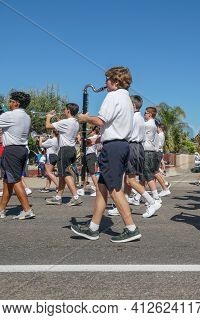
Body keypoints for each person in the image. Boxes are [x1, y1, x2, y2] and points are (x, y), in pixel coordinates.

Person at [72, 66, 141, 242]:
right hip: (120, 145)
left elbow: (100, 120)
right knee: (102, 187)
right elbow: (114, 125)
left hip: (113, 148)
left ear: (116, 82)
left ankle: (131, 228)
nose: (105, 83)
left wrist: (84, 118)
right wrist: (98, 140)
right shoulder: (126, 98)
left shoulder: (113, 96)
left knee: (114, 188)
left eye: (108, 79)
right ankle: (93, 227)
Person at [109, 95, 161, 218]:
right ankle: (123, 205)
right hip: (137, 148)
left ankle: (152, 202)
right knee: (127, 181)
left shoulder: (133, 118)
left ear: (133, 106)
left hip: (132, 148)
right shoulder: (139, 119)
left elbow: (123, 133)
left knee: (130, 181)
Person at [0, 91, 34, 220]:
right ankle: (1, 210)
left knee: (15, 180)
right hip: (22, 149)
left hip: (12, 150)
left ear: (16, 103)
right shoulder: (27, 116)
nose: (9, 103)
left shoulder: (9, 115)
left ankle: (27, 210)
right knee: (8, 181)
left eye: (10, 101)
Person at [45, 103, 82, 206]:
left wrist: (48, 117)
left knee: (65, 174)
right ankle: (58, 197)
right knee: (62, 174)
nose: (64, 110)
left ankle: (75, 197)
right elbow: (62, 127)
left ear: (68, 111)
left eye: (65, 109)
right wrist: (57, 117)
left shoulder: (66, 122)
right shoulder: (75, 122)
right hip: (72, 150)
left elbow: (48, 126)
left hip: (64, 150)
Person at [142, 106, 162, 206]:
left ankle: (156, 197)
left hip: (147, 151)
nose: (144, 114)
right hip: (150, 151)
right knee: (145, 175)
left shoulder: (147, 125)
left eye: (145, 113)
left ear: (150, 114)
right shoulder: (152, 124)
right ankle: (138, 197)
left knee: (148, 174)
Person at [77, 126, 100, 197]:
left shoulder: (95, 137)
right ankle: (83, 189)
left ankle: (97, 190)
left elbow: (87, 142)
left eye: (91, 130)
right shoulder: (94, 137)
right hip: (88, 155)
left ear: (94, 131)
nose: (90, 131)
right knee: (85, 173)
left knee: (92, 173)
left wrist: (79, 138)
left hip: (91, 155)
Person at [155, 122, 170, 196]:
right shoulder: (162, 134)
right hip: (159, 152)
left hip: (157, 152)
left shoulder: (159, 135)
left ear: (159, 128)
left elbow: (159, 145)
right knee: (155, 171)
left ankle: (165, 186)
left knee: (155, 171)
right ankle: (165, 185)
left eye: (157, 127)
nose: (156, 129)